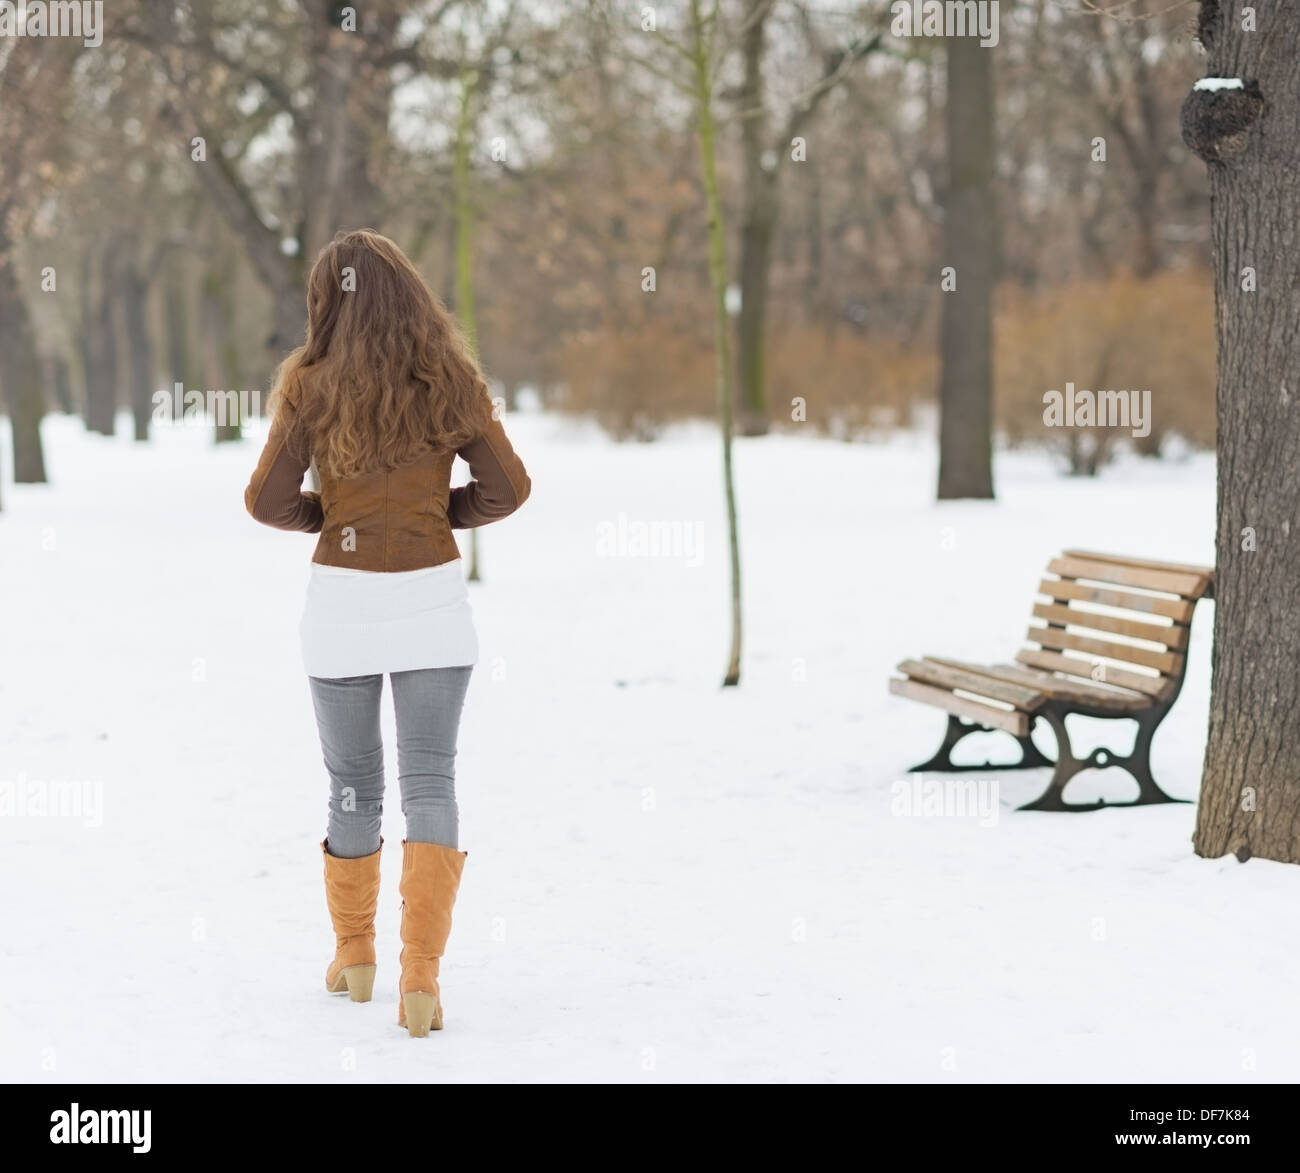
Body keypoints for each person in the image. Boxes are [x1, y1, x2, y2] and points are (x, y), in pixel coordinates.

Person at [244, 228, 531, 1037]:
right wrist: (442, 516)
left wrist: (328, 519)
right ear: (411, 292)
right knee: (431, 782)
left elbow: (265, 501)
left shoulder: (310, 384)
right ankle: (422, 980)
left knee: (351, 783)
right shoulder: (450, 380)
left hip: (341, 606)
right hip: (432, 603)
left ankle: (356, 954)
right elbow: (508, 488)